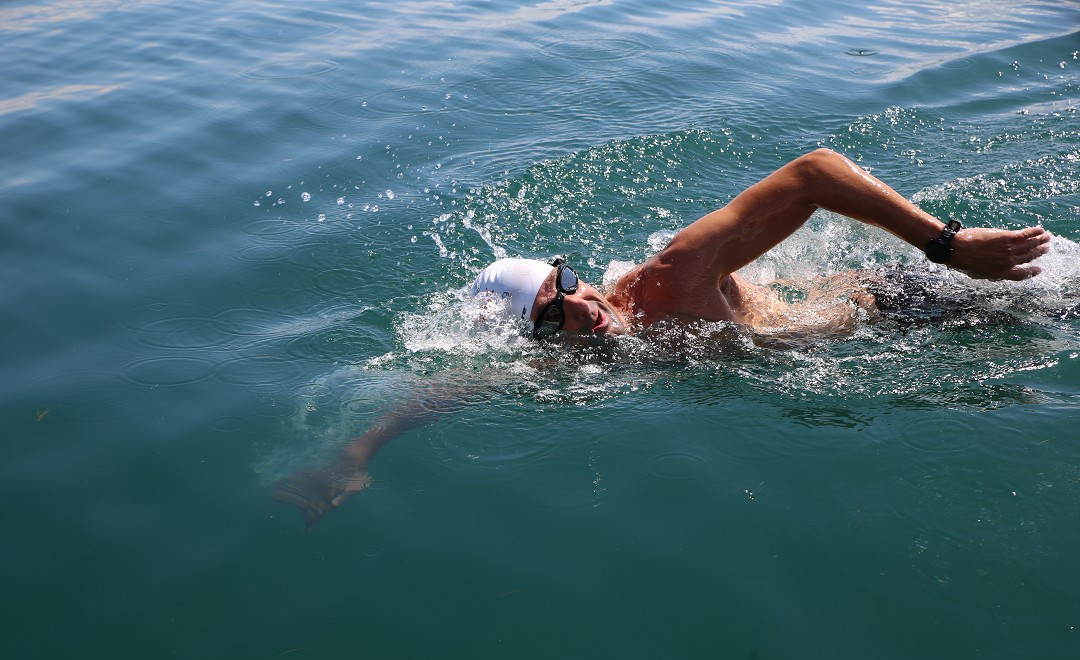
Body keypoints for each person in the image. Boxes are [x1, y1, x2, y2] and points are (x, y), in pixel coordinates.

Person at [274, 148, 1051, 527]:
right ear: (538, 340)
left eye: (568, 284)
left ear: (571, 269)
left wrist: (949, 247)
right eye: (550, 317)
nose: (580, 310)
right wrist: (358, 451)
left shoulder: (668, 280)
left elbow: (815, 172)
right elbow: (457, 386)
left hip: (924, 303)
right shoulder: (575, 367)